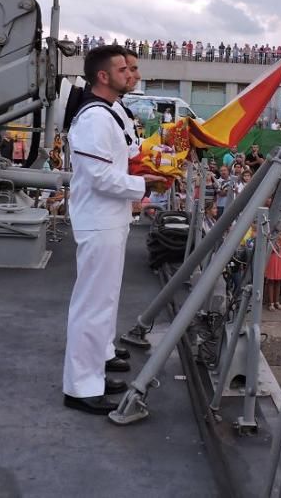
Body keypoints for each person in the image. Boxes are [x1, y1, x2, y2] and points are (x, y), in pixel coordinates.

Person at [62, 46, 165, 415]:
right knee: (91, 305)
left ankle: (92, 373)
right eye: (123, 69)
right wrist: (146, 187)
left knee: (102, 302)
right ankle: (80, 386)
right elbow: (100, 177)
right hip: (99, 218)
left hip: (111, 217)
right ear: (103, 76)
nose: (130, 74)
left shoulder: (106, 113)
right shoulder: (93, 119)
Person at [264, 232, 281, 311]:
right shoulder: (269, 234)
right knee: (271, 281)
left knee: (278, 281)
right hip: (272, 259)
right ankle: (270, 303)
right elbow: (266, 248)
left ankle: (277, 301)